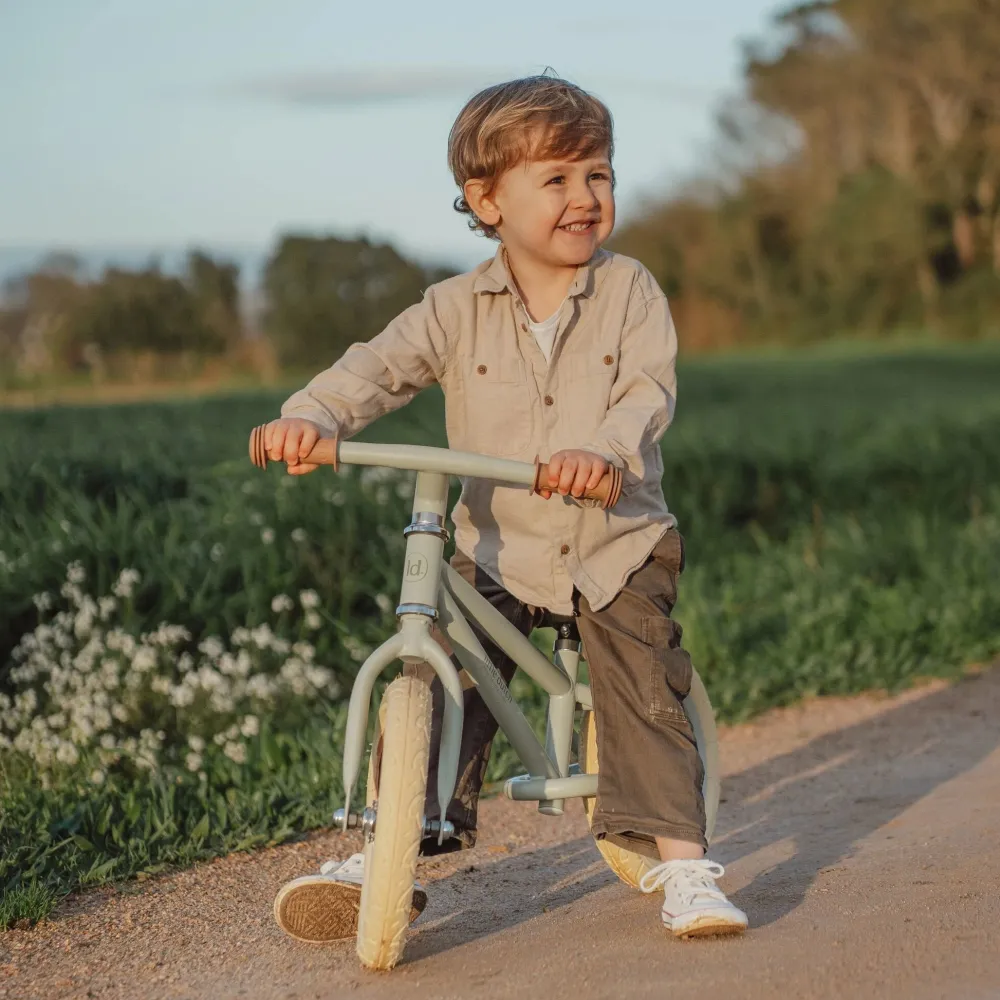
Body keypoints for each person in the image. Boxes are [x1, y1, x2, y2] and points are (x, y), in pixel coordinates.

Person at [266, 75, 748, 943]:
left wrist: (602, 454)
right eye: (556, 179)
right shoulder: (454, 309)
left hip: (614, 539)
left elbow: (645, 393)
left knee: (639, 682)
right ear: (487, 201)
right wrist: (313, 416)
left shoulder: (630, 290)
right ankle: (391, 849)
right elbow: (377, 367)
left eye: (597, 175)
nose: (584, 197)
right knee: (440, 674)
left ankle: (684, 865)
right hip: (498, 544)